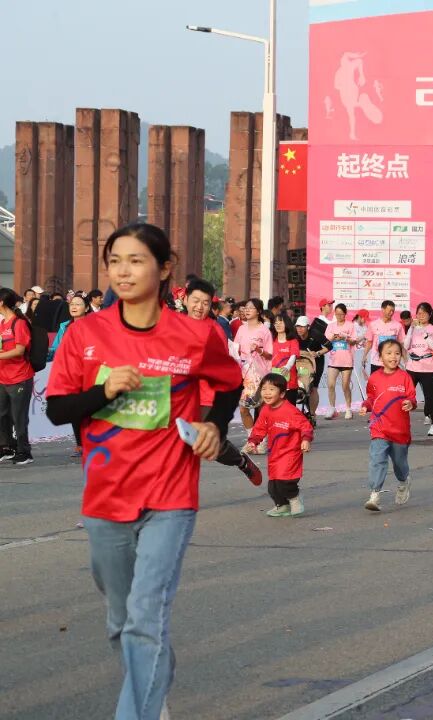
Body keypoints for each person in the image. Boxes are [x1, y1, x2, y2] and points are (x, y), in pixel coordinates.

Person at [44, 223, 242, 720]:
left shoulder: (194, 335)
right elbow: (58, 410)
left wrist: (215, 424)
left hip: (169, 495)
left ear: (165, 267)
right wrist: (105, 391)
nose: (123, 271)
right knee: (122, 621)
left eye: (136, 260)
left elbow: (230, 382)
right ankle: (152, 687)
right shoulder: (85, 334)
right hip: (105, 497)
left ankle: (139, 709)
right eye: (115, 261)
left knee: (145, 618)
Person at [184, 279, 263, 486]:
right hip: (179, 395)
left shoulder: (214, 330)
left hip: (206, 396)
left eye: (205, 303)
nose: (199, 307)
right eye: (195, 301)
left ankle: (241, 461)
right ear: (185, 300)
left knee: (213, 447)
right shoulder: (172, 326)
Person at [243, 373, 314, 517]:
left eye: (271, 389)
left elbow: (305, 426)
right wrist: (253, 441)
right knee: (273, 486)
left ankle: (295, 498)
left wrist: (306, 439)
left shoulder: (290, 411)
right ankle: (282, 506)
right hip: (275, 453)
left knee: (286, 481)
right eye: (264, 389)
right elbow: (259, 429)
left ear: (282, 394)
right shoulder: (265, 410)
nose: (267, 393)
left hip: (290, 452)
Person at [358, 338, 416, 511]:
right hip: (379, 427)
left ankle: (404, 481)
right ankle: (375, 494)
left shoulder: (404, 377)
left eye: (397, 353)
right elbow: (371, 398)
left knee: (399, 464)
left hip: (400, 430)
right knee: (377, 459)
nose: (393, 357)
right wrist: (365, 406)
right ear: (380, 356)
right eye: (389, 353)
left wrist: (410, 403)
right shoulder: (375, 378)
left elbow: (412, 397)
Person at [48, 293, 90, 457]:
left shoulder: (94, 326)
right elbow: (56, 348)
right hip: (71, 374)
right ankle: (80, 444)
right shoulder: (64, 326)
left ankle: (92, 441)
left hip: (90, 372)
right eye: (72, 304)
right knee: (75, 410)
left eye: (78, 304)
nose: (74, 307)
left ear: (86, 308)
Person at [0, 287, 35, 465]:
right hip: (3, 377)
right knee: (2, 415)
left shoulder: (19, 323)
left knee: (18, 416)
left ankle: (24, 451)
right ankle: (7, 447)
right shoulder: (2, 324)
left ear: (1, 302)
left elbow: (19, 350)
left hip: (19, 377)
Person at [405, 302, 433, 436]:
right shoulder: (412, 328)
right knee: (406, 394)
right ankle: (401, 423)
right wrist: (411, 329)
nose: (421, 316)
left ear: (430, 314)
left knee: (430, 397)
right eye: (419, 313)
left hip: (428, 368)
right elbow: (406, 345)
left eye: (424, 313)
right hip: (412, 366)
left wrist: (424, 333)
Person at [235, 298, 273, 408]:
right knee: (243, 408)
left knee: (260, 406)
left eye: (251, 308)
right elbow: (235, 349)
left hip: (259, 373)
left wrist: (259, 350)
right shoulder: (241, 329)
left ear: (259, 311)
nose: (247, 310)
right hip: (243, 373)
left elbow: (270, 355)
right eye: (246, 308)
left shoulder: (264, 330)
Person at [324, 303, 359, 420]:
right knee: (330, 385)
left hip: (346, 361)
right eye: (337, 314)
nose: (339, 316)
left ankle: (348, 408)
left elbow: (354, 341)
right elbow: (327, 339)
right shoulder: (331, 326)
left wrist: (345, 337)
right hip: (333, 361)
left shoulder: (350, 325)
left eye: (341, 314)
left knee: (345, 386)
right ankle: (332, 408)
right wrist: (334, 337)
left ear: (345, 314)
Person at [295, 316, 330, 415]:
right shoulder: (294, 335)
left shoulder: (315, 334)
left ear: (308, 327)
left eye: (302, 326)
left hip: (316, 362)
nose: (299, 329)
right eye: (298, 326)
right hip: (300, 362)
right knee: (299, 385)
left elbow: (329, 346)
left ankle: (312, 413)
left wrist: (318, 353)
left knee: (313, 387)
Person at [364, 299, 406, 375]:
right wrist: (364, 356)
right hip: (376, 361)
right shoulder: (373, 324)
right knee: (375, 382)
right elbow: (369, 342)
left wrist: (405, 360)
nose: (391, 313)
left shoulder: (398, 326)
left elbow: (401, 344)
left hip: (392, 362)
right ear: (383, 310)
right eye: (389, 310)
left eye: (393, 311)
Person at [271, 314, 302, 405]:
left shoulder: (293, 341)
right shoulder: (272, 341)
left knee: (289, 409)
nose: (278, 325)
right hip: (274, 382)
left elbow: (293, 356)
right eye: (276, 323)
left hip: (290, 382)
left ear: (287, 324)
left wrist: (287, 367)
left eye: (280, 322)